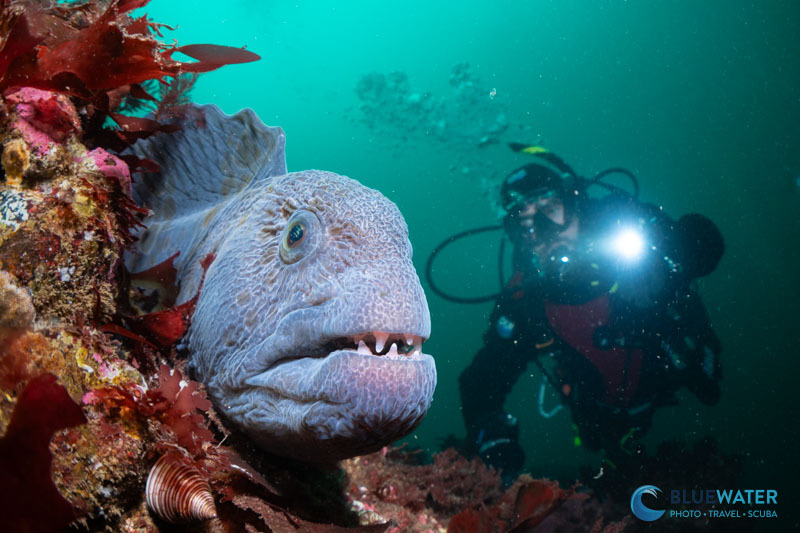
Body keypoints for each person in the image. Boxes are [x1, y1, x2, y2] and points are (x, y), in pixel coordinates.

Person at [458, 148, 724, 483]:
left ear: (576, 206)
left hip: (672, 382)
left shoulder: (629, 241)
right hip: (600, 416)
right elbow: (480, 380)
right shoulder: (525, 300)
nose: (544, 229)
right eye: (526, 224)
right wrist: (492, 437)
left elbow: (706, 244)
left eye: (551, 210)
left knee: (709, 392)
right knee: (600, 443)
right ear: (518, 239)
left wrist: (672, 264)